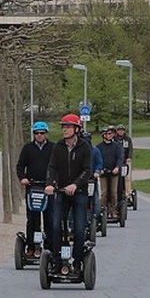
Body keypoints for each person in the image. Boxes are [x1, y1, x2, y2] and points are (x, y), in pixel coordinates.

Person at [45, 114, 92, 273]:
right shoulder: (58, 146)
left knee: (79, 229)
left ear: (77, 129)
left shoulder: (85, 147)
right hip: (61, 192)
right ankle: (57, 262)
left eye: (68, 126)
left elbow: (87, 170)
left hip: (79, 193)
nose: (64, 129)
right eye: (63, 126)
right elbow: (52, 167)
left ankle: (77, 262)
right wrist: (50, 184)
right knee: (56, 226)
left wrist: (75, 184)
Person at [17, 121, 55, 250]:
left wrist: (54, 181)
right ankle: (32, 247)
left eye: (41, 133)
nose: (39, 135)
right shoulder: (28, 148)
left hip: (48, 187)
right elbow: (20, 165)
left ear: (46, 134)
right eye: (36, 133)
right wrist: (23, 178)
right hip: (32, 187)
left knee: (49, 218)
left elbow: (57, 167)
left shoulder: (53, 148)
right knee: (32, 219)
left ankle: (49, 247)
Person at [97, 125, 124, 219]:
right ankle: (103, 210)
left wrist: (117, 167)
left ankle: (113, 210)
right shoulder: (99, 147)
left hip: (114, 173)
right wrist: (100, 168)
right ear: (104, 135)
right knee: (104, 193)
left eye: (111, 134)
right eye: (108, 134)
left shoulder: (116, 146)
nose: (110, 135)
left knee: (113, 192)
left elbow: (119, 158)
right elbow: (97, 159)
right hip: (103, 173)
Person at [115, 124, 134, 204]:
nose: (120, 132)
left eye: (122, 130)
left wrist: (129, 158)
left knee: (126, 177)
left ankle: (127, 193)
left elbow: (130, 149)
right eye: (119, 130)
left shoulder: (127, 139)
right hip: (117, 162)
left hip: (125, 161)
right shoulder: (115, 139)